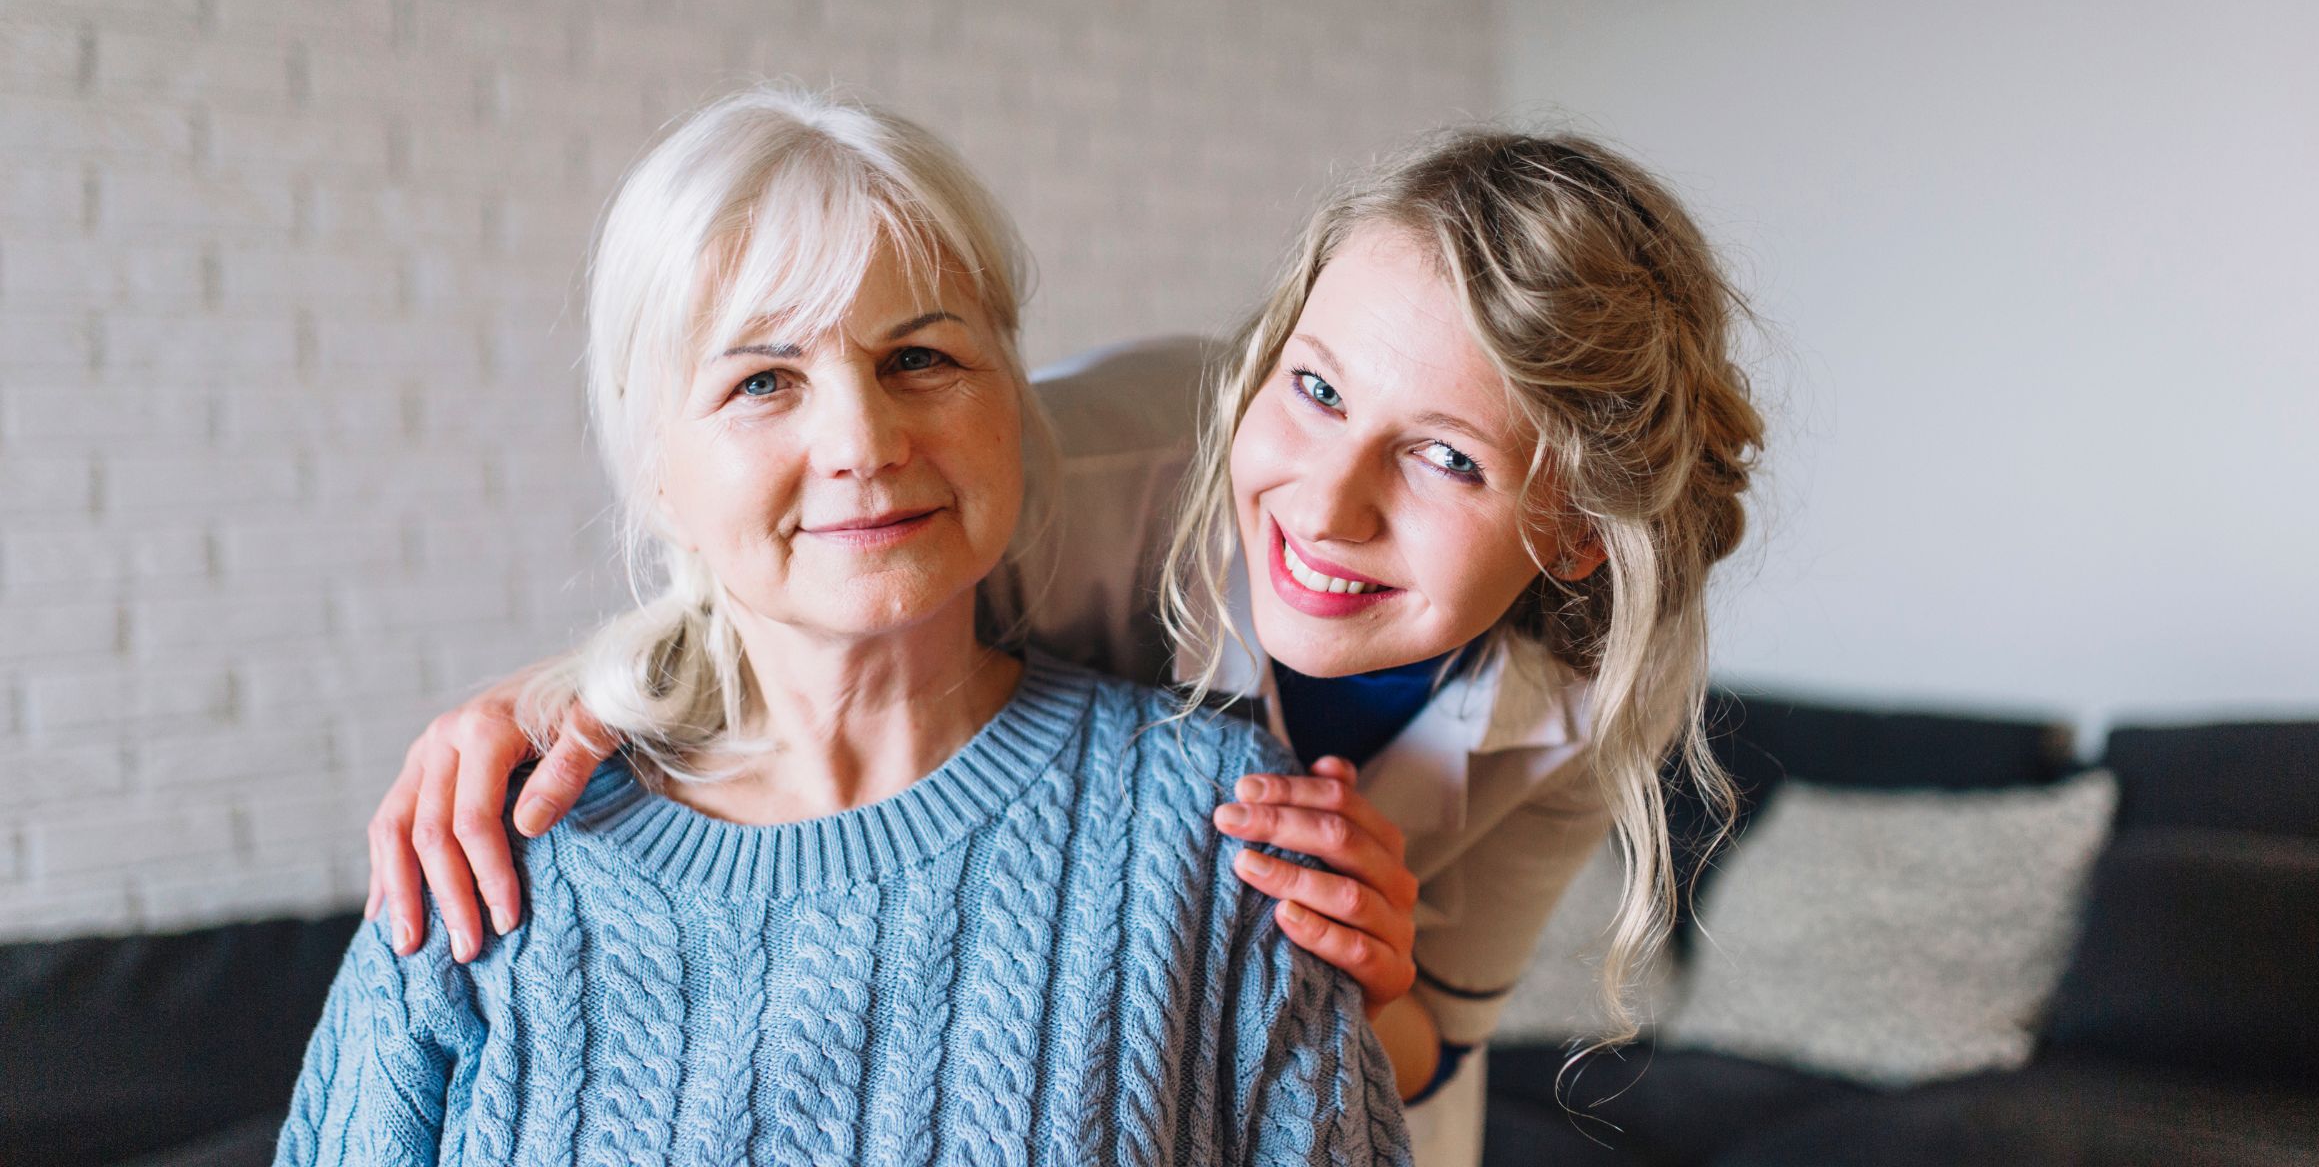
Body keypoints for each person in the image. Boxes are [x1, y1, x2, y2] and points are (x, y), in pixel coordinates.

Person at [369, 123, 1764, 1167]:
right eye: (1317, 387)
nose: (1326, 505)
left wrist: (1373, 974)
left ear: (1577, 533)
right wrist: (554, 695)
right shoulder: (1080, 472)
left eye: (1449, 460)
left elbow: (1430, 1041)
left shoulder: (1580, 707)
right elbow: (801, 553)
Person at [276, 86, 1410, 1166]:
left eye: (919, 358)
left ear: (1013, 403)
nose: (864, 441)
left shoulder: (1223, 823)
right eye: (764, 380)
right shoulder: (486, 861)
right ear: (656, 467)